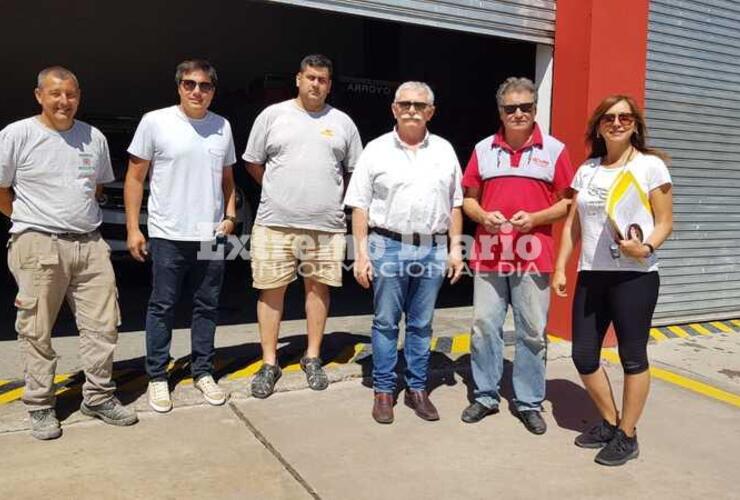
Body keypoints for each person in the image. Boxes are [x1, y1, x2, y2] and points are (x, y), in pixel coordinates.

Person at [0, 66, 138, 440]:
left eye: (71, 94)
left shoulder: (92, 137)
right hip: (39, 243)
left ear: (79, 96)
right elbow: (1, 189)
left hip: (90, 244)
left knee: (104, 325)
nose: (64, 101)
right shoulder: (17, 134)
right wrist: (29, 221)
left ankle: (97, 396)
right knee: (36, 328)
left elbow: (95, 187)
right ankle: (41, 404)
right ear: (39, 95)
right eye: (55, 93)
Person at [552, 95, 673, 466]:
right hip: (592, 273)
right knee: (584, 354)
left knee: (632, 357)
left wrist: (646, 248)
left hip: (635, 276)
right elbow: (572, 223)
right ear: (599, 126)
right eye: (609, 117)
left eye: (625, 117)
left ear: (635, 124)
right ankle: (609, 421)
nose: (617, 123)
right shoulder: (587, 169)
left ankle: (628, 434)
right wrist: (561, 266)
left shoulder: (650, 167)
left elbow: (665, 221)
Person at [243, 54, 362, 398]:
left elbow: (355, 170)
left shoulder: (342, 123)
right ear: (298, 79)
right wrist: (278, 190)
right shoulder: (273, 115)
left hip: (325, 225)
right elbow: (252, 162)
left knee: (317, 290)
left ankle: (312, 356)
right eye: (310, 77)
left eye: (323, 79)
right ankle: (269, 362)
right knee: (271, 290)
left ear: (329, 84)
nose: (316, 84)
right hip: (275, 223)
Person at [345, 81, 464, 424]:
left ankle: (417, 389)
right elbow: (360, 207)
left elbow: (455, 204)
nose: (412, 109)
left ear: (431, 112)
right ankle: (384, 390)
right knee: (385, 322)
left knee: (422, 324)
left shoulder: (444, 150)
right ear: (394, 109)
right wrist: (362, 256)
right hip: (387, 245)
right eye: (405, 104)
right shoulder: (376, 150)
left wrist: (455, 250)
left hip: (432, 248)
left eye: (420, 104)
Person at [461, 77, 574, 434]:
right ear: (501, 111)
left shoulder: (555, 150)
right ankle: (485, 395)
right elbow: (468, 199)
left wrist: (537, 218)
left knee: (532, 332)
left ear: (535, 109)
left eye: (525, 107)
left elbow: (568, 202)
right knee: (483, 327)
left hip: (534, 256)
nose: (518, 113)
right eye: (511, 108)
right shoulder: (482, 149)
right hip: (489, 255)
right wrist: (481, 216)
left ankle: (528, 402)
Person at [125, 59, 237, 412]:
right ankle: (157, 376)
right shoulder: (155, 122)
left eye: (204, 86)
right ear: (179, 87)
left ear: (213, 90)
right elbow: (134, 178)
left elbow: (228, 179)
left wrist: (231, 215)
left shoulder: (223, 126)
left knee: (207, 305)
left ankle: (203, 371)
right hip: (167, 232)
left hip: (210, 233)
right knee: (163, 305)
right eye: (189, 84)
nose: (197, 91)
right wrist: (133, 228)